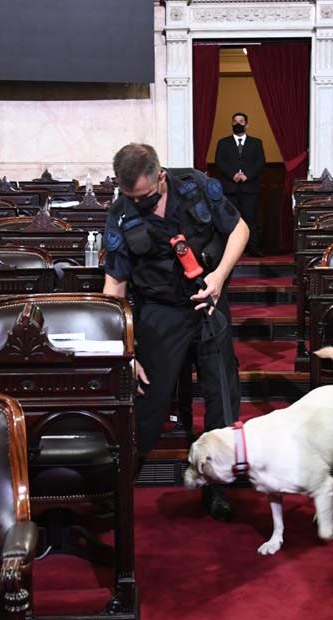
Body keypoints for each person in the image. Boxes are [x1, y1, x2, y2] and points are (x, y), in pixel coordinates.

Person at [103, 143, 249, 520]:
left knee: (221, 395)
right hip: (158, 312)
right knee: (147, 400)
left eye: (146, 196)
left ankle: (215, 485)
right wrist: (125, 350)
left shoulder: (196, 186)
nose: (139, 204)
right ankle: (118, 489)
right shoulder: (120, 214)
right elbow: (114, 287)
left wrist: (218, 277)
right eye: (130, 196)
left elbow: (239, 230)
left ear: (161, 178)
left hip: (208, 300)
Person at [213, 112, 266, 256]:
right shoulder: (223, 143)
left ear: (247, 124)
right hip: (230, 188)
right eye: (235, 121)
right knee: (230, 221)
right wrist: (233, 175)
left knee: (251, 219)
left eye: (241, 121)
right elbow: (219, 161)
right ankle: (229, 251)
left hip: (250, 188)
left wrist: (247, 175)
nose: (238, 124)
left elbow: (260, 162)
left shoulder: (256, 143)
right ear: (231, 124)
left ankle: (253, 249)